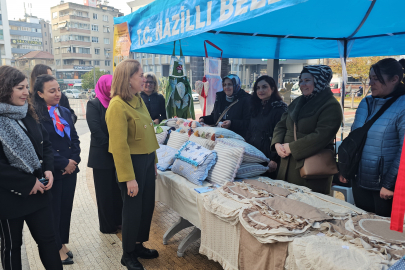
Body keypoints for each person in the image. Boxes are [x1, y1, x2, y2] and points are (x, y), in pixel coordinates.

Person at [0, 66, 62, 270]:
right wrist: (28, 182)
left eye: (27, 87)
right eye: (20, 88)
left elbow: (46, 145)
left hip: (39, 193)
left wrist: (49, 169)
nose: (26, 92)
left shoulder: (27, 112)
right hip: (9, 197)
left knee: (49, 241)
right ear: (4, 88)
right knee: (11, 247)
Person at [106, 59, 159, 270]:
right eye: (140, 75)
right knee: (132, 209)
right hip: (132, 164)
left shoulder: (138, 100)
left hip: (146, 161)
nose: (144, 79)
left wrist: (153, 161)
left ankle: (138, 244)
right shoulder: (117, 106)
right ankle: (127, 253)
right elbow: (119, 147)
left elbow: (148, 133)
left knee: (147, 206)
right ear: (128, 79)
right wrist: (129, 177)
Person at [340, 58, 405, 217]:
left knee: (384, 233)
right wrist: (345, 169)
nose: (371, 83)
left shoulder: (402, 105)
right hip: (359, 179)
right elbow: (355, 138)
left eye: (376, 79)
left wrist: (390, 184)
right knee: (362, 224)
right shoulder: (366, 102)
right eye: (370, 78)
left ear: (394, 79)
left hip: (384, 186)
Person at [271, 65, 342, 194]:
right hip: (286, 163)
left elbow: (321, 136)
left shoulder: (331, 105)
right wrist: (276, 144)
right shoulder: (297, 101)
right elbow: (281, 124)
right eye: (301, 80)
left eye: (307, 80)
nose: (302, 84)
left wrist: (291, 148)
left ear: (320, 81)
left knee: (308, 207)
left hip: (312, 169)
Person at [33, 74, 81, 264]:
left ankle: (61, 242)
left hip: (70, 170)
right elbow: (43, 146)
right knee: (54, 211)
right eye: (52, 91)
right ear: (40, 93)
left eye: (58, 89)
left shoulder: (64, 111)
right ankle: (55, 247)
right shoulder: (36, 116)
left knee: (65, 209)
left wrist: (74, 160)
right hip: (53, 171)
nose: (57, 94)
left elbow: (75, 139)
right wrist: (63, 163)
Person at [86, 74, 123, 234]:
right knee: (104, 194)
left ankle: (119, 221)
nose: (113, 89)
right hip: (102, 156)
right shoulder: (94, 104)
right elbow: (96, 130)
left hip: (118, 156)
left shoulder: (117, 103)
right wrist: (113, 147)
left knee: (117, 191)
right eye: (110, 85)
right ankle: (107, 226)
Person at [245, 75, 287, 179]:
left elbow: (281, 135)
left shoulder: (279, 109)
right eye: (258, 88)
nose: (261, 90)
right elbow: (251, 129)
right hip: (254, 154)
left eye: (264, 87)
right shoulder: (256, 107)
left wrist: (274, 159)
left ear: (272, 89)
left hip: (269, 155)